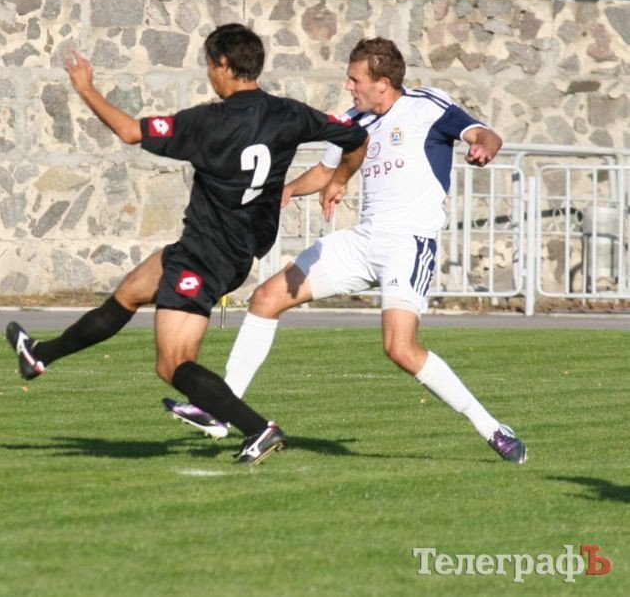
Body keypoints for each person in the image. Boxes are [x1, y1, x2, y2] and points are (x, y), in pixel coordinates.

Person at [5, 23, 368, 465]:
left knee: (172, 364)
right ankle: (39, 356)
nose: (208, 74)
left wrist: (87, 89)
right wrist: (340, 180)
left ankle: (259, 428)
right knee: (131, 291)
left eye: (209, 65)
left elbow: (129, 131)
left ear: (224, 66)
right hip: (232, 252)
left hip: (205, 254)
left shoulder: (207, 123)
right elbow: (355, 137)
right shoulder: (289, 113)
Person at [164, 36, 528, 465]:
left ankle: (491, 427)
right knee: (266, 299)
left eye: (356, 79)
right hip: (362, 241)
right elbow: (324, 171)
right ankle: (219, 411)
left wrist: (485, 146)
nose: (349, 87)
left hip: (407, 244)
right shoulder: (354, 121)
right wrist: (281, 192)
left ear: (384, 82)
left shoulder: (427, 106)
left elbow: (485, 132)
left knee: (401, 349)